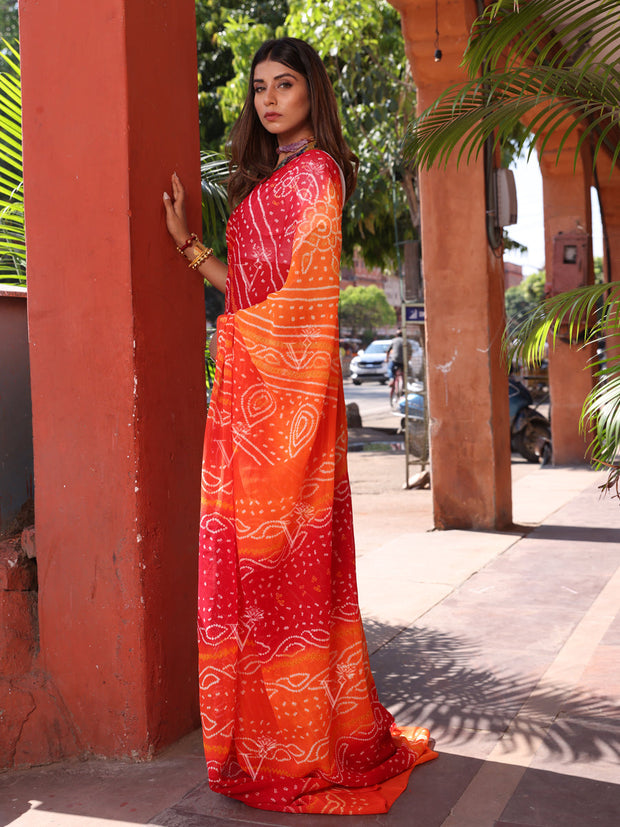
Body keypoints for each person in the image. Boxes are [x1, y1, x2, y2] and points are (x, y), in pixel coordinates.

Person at [163, 37, 436, 815]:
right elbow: (247, 289)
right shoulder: (274, 179)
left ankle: (302, 742)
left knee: (283, 576)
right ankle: (266, 737)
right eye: (259, 88)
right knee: (257, 578)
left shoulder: (315, 177)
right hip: (254, 407)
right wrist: (187, 243)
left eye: (286, 84)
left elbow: (302, 309)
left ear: (313, 91)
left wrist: (242, 341)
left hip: (284, 411)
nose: (270, 99)